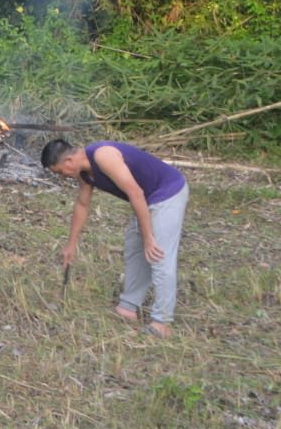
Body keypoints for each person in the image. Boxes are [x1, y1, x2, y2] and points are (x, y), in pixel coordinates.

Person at [41, 139, 189, 339]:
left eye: (60, 172)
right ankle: (128, 307)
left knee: (158, 254)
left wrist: (148, 237)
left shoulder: (103, 156)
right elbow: (82, 205)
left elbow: (135, 192)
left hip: (167, 193)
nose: (62, 176)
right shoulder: (84, 173)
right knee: (134, 249)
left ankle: (162, 322)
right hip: (146, 198)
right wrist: (71, 244)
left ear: (68, 161)